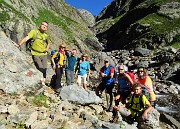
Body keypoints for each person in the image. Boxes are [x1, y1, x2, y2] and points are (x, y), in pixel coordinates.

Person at [15, 21, 50, 86]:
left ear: (47, 28)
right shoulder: (34, 32)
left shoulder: (46, 36)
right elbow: (26, 38)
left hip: (44, 54)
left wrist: (47, 49)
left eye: (46, 26)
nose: (44, 26)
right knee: (40, 68)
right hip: (35, 53)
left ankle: (43, 82)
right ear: (40, 25)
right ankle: (41, 81)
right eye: (43, 24)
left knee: (45, 68)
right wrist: (18, 45)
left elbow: (48, 43)